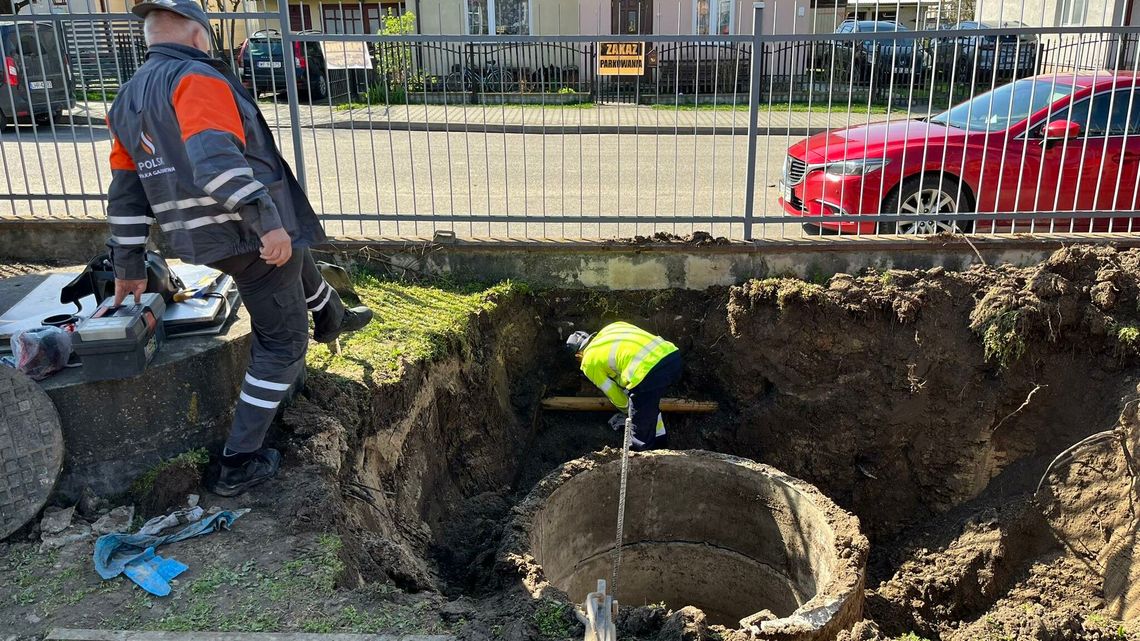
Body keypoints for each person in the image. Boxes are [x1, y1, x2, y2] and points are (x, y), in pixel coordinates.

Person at [105, 0, 373, 497]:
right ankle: (238, 462)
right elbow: (215, 161)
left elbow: (125, 191)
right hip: (243, 232)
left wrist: (128, 264)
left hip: (201, 237)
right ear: (198, 34)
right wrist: (264, 221)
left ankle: (332, 313)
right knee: (282, 344)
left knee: (294, 248)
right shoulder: (195, 78)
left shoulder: (125, 99)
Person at [565, 322, 682, 451]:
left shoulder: (589, 361)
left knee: (640, 422)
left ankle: (640, 457)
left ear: (578, 355)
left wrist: (628, 411)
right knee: (648, 407)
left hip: (647, 371)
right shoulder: (612, 327)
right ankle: (661, 446)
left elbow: (613, 392)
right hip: (672, 357)